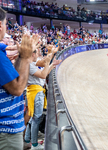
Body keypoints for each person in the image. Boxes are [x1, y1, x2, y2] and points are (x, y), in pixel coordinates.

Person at [0, 7, 40, 150]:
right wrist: (25, 57)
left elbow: (12, 76)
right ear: (0, 26)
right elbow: (17, 89)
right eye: (5, 24)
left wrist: (22, 54)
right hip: (6, 130)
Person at [24, 47, 61, 149]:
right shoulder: (30, 64)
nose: (39, 54)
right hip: (36, 92)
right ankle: (34, 144)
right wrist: (51, 56)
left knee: (34, 118)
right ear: (33, 54)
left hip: (36, 92)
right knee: (37, 118)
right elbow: (43, 75)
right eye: (38, 53)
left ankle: (27, 139)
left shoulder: (31, 63)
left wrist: (52, 65)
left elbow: (44, 71)